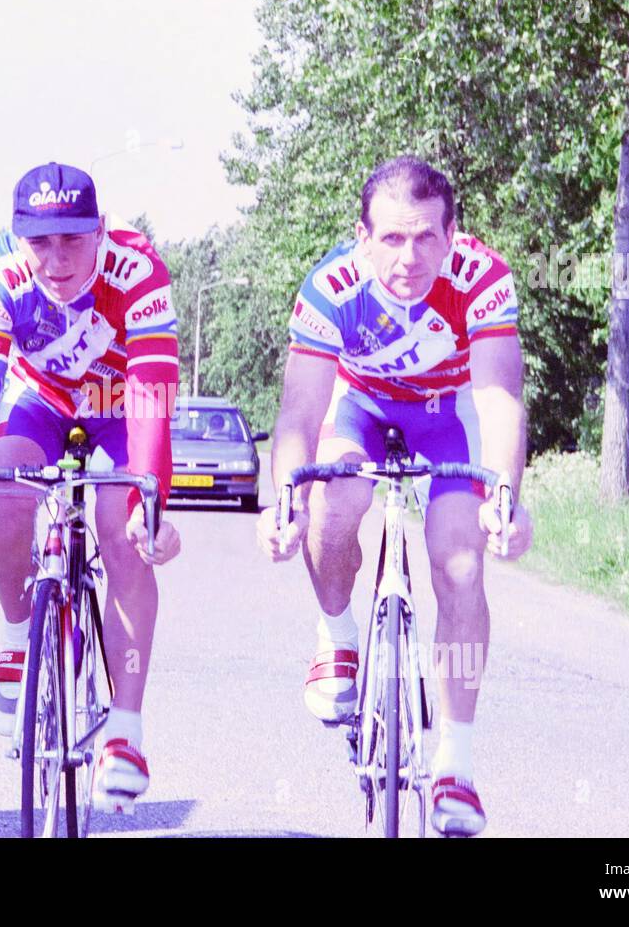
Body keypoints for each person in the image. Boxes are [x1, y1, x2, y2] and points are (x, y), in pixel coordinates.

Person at [256, 155, 533, 836]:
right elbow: (298, 414)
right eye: (391, 238)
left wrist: (506, 497)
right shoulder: (330, 288)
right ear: (362, 235)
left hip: (449, 415)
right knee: (332, 499)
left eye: (425, 238)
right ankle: (337, 634)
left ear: (452, 233)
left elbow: (498, 397)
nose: (408, 257)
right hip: (360, 409)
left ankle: (455, 765)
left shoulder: (484, 279)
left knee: (461, 562)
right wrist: (284, 498)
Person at [0, 162, 182, 811]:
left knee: (124, 534)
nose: (57, 258)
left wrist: (152, 498)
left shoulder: (139, 271)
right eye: (41, 241)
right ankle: (17, 637)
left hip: (122, 403)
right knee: (4, 490)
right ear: (17, 236)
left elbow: (152, 396)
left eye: (72, 239)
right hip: (41, 398)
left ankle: (125, 727)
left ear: (99, 228)